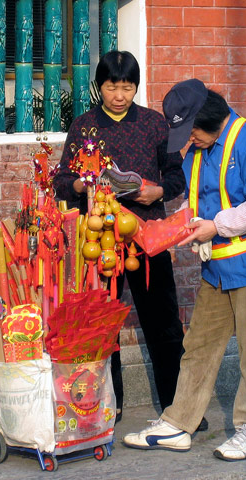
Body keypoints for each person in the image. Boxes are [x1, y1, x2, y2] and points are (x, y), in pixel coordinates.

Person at [123, 80, 246, 461]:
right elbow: (198, 205)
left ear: (209, 117)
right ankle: (179, 422)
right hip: (220, 265)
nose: (189, 139)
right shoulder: (198, 151)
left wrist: (215, 226)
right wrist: (167, 230)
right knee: (199, 346)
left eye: (191, 130)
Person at [54, 50, 187, 423]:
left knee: (164, 324)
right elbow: (62, 181)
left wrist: (157, 192)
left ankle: (178, 408)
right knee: (101, 325)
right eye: (113, 86)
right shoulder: (83, 127)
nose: (120, 95)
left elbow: (177, 175)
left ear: (135, 87)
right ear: (100, 86)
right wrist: (82, 185)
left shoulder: (154, 125)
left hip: (147, 237)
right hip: (100, 242)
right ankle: (106, 408)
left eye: (127, 87)